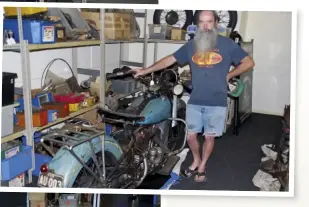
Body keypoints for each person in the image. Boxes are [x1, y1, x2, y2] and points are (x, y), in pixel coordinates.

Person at [132, 10, 255, 182]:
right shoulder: (192, 45)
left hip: (217, 101)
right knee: (191, 136)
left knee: (209, 136)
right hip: (195, 99)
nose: (205, 26)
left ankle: (202, 165)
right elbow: (170, 59)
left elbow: (249, 62)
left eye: (209, 22)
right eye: (202, 22)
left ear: (216, 23)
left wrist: (229, 75)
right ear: (197, 25)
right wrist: (146, 70)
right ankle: (196, 159)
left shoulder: (227, 45)